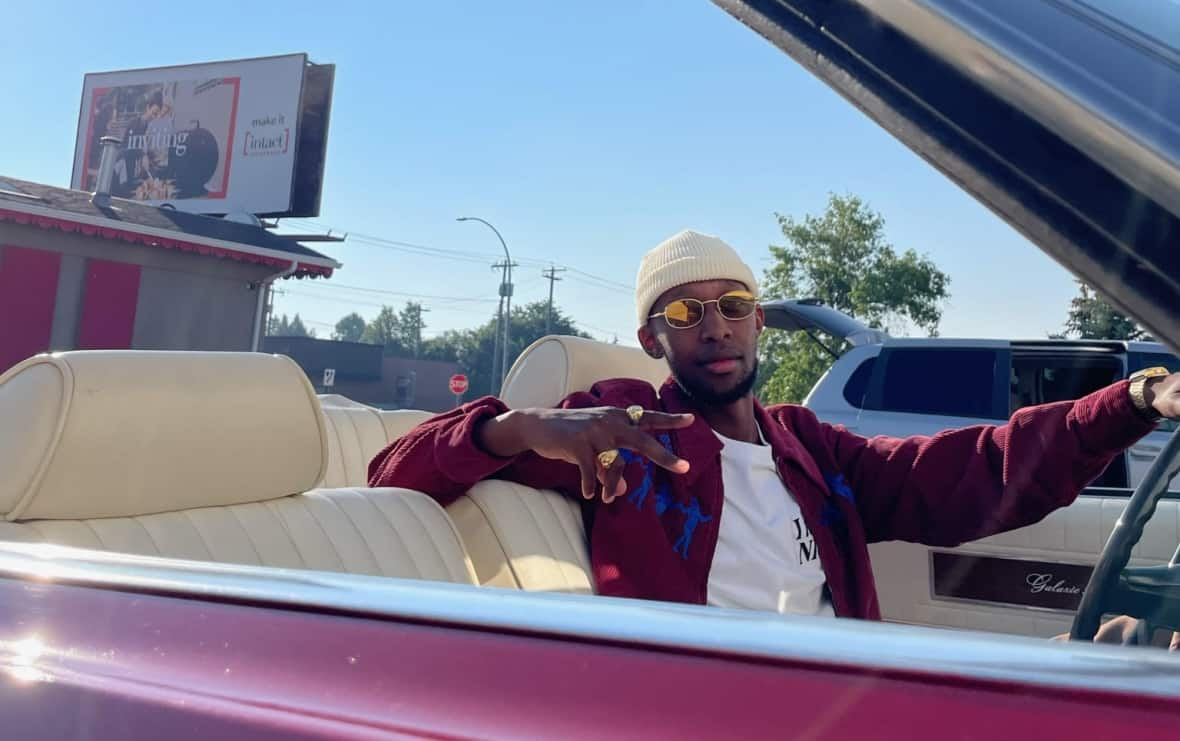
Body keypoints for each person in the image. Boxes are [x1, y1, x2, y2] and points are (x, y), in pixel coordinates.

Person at [369, 230, 1180, 621]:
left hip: (835, 697)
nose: (713, 326)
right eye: (685, 312)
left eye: (733, 307)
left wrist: (1134, 400)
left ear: (760, 324)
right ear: (656, 340)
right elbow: (390, 475)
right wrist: (518, 429)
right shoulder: (619, 432)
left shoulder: (810, 447)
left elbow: (975, 471)